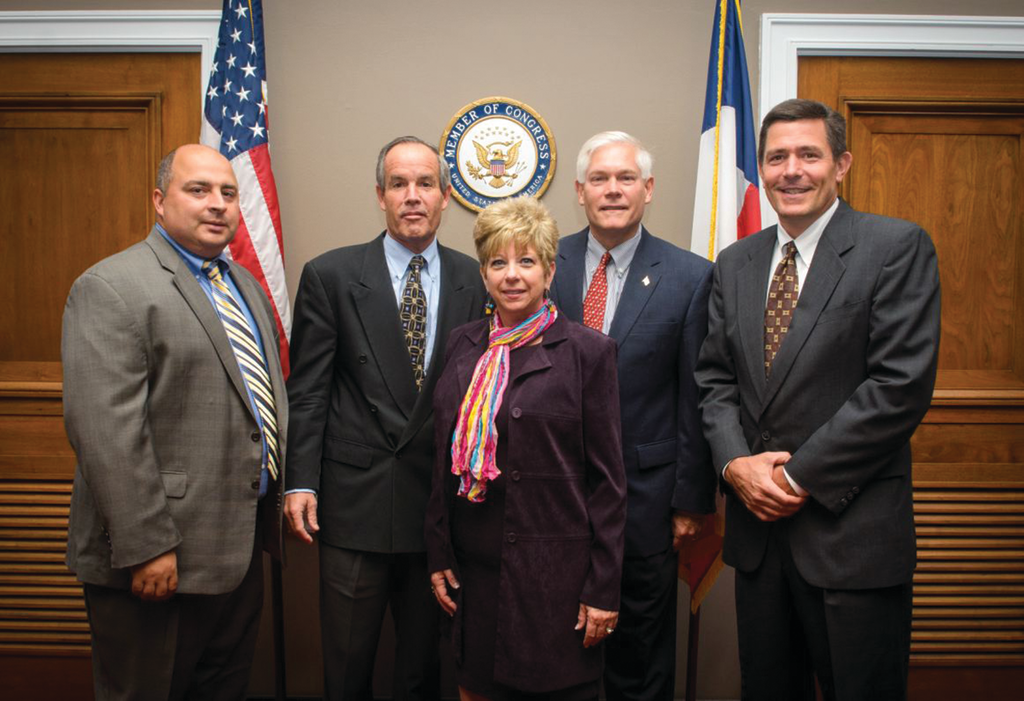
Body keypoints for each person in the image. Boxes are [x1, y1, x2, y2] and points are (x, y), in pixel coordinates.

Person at [695, 99, 941, 700]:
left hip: (850, 534)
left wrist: (795, 478)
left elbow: (898, 386)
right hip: (759, 541)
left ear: (841, 164)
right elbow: (714, 380)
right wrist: (735, 466)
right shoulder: (735, 263)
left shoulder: (895, 247)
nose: (791, 170)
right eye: (776, 157)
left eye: (809, 154)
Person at [62, 144, 287, 700]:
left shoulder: (243, 286)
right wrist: (147, 547)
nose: (218, 205)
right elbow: (108, 433)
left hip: (234, 552)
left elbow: (260, 403)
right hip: (159, 559)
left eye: (228, 193)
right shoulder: (112, 286)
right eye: (199, 190)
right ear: (160, 202)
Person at [285, 136, 486, 700]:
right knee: (348, 668)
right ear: (380, 195)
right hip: (354, 505)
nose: (413, 196)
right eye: (399, 184)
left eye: (425, 184)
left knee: (423, 669)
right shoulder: (331, 274)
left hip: (438, 509)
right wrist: (300, 480)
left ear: (446, 197)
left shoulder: (476, 279)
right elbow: (309, 391)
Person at [426, 196, 627, 700]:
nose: (511, 275)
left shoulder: (588, 352)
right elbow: (441, 458)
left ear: (549, 269)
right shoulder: (462, 345)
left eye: (526, 261)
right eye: (498, 262)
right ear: (483, 272)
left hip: (554, 583)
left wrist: (603, 588)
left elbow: (608, 482)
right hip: (476, 577)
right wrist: (438, 550)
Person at [548, 131, 715, 700]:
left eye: (625, 179)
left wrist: (690, 500)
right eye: (599, 179)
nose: (612, 190)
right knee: (556, 656)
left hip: (647, 501)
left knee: (639, 661)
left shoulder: (691, 276)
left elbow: (696, 395)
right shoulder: (541, 262)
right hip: (552, 499)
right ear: (578, 191)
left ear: (648, 189)